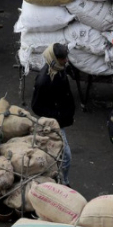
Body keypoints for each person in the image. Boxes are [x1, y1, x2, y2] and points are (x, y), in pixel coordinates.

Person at [30, 43, 76, 185]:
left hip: (62, 118)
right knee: (66, 155)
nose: (66, 61)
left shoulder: (59, 69)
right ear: (54, 58)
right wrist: (56, 116)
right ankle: (63, 181)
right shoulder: (44, 80)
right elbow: (36, 106)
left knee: (57, 151)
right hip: (56, 122)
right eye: (63, 58)